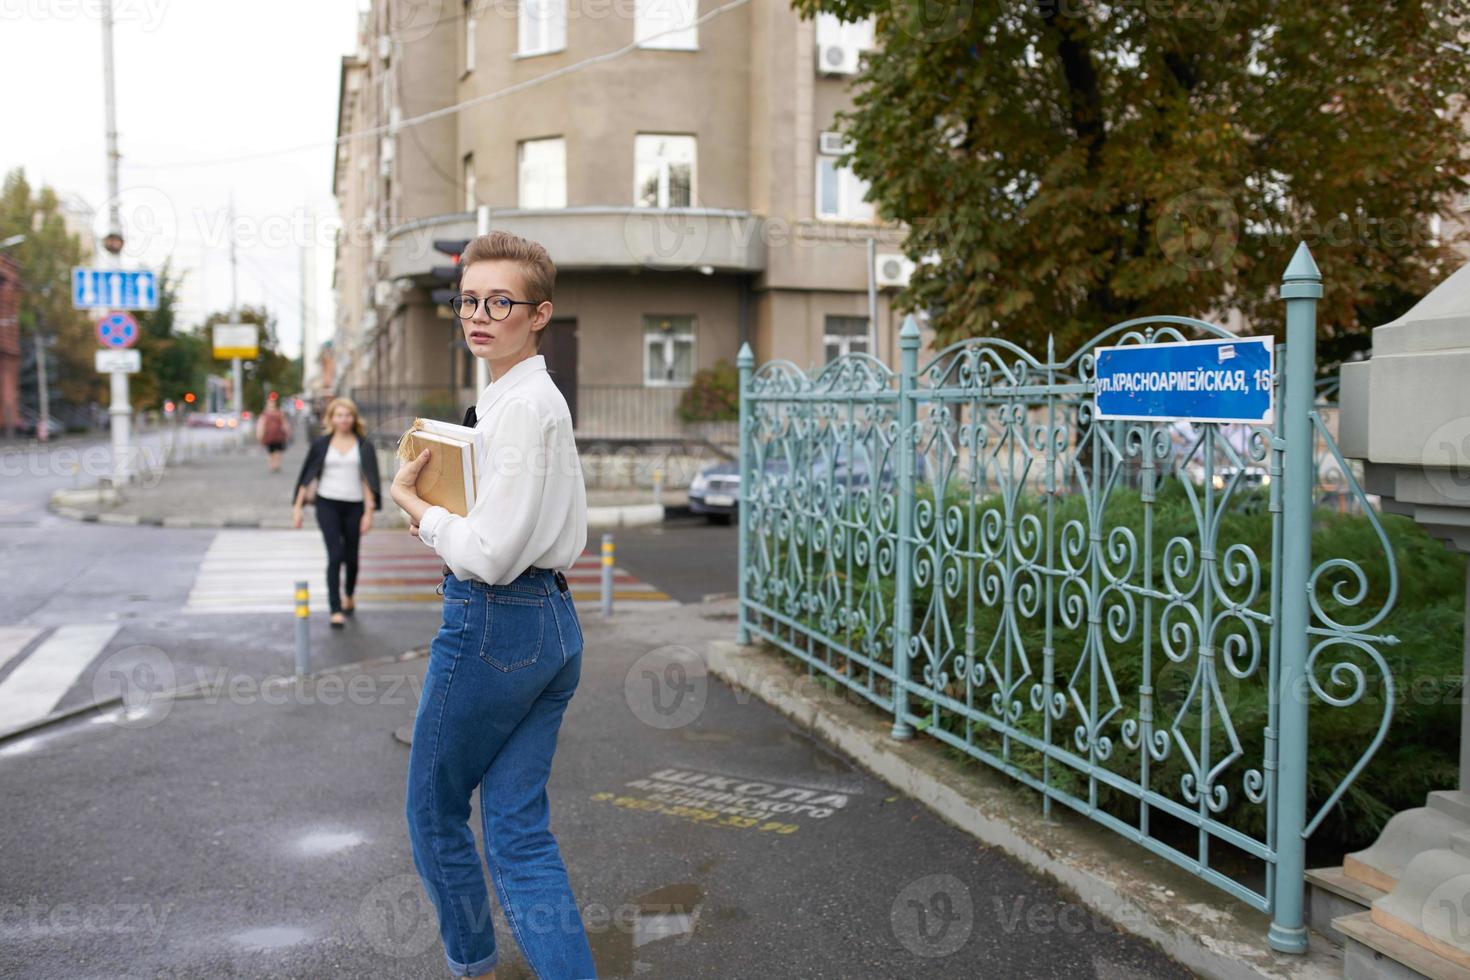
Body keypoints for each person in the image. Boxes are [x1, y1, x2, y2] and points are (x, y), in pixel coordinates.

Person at [390, 231, 593, 979]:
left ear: (539, 314)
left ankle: (472, 964)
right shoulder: (527, 400)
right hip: (549, 626)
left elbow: (491, 555)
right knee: (516, 832)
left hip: (495, 624)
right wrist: (443, 516)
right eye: (468, 300)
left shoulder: (520, 408)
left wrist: (415, 505)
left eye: (500, 301)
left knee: (434, 813)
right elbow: (524, 530)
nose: (480, 315)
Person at [290, 396, 382, 628]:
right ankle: (335, 607)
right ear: (331, 418)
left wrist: (369, 513)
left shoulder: (363, 444)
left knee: (352, 556)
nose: (344, 420)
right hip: (327, 504)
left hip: (354, 506)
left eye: (348, 415)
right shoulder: (321, 444)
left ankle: (349, 594)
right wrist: (298, 508)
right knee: (335, 554)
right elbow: (307, 475)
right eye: (339, 415)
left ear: (354, 418)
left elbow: (367, 480)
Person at [257, 392, 292, 472]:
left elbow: (260, 426)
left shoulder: (265, 414)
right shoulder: (278, 413)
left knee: (271, 452)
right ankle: (276, 465)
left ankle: (273, 465)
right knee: (277, 452)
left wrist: (260, 436)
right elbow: (285, 424)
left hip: (270, 436)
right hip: (277, 436)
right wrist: (288, 432)